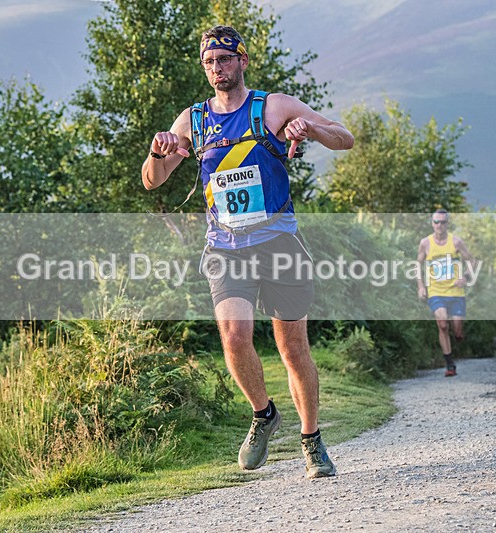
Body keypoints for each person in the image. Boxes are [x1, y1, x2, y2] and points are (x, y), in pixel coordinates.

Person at [141, 26, 354, 478]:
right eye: (209, 62)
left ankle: (311, 440)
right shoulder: (193, 121)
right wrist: (159, 151)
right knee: (235, 337)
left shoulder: (272, 107)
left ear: (242, 61)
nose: (216, 69)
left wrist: (311, 129)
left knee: (292, 348)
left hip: (278, 243)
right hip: (226, 246)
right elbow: (151, 180)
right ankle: (263, 414)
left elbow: (345, 137)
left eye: (224, 59)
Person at [416, 209, 476, 377]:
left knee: (457, 330)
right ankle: (450, 365)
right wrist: (421, 286)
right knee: (442, 324)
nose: (439, 225)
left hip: (456, 291)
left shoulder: (456, 242)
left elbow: (472, 261)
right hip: (436, 290)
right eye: (436, 222)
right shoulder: (425, 243)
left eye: (442, 222)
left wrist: (465, 277)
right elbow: (418, 264)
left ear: (447, 223)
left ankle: (458, 335)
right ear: (432, 223)